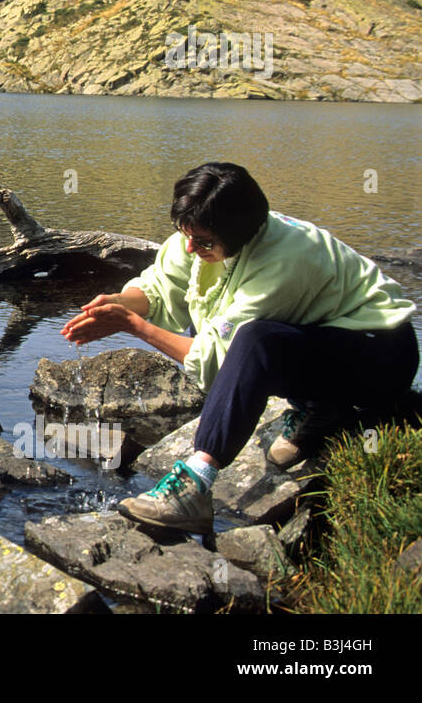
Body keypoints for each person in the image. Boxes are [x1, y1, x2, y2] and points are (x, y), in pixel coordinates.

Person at [59, 161, 419, 534]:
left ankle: (194, 486)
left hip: (381, 356)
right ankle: (323, 408)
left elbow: (220, 361)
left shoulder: (284, 260)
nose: (190, 247)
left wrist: (135, 328)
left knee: (255, 340)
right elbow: (162, 283)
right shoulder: (208, 227)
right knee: (233, 326)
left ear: (241, 233)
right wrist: (121, 302)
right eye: (185, 234)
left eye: (202, 242)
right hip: (329, 343)